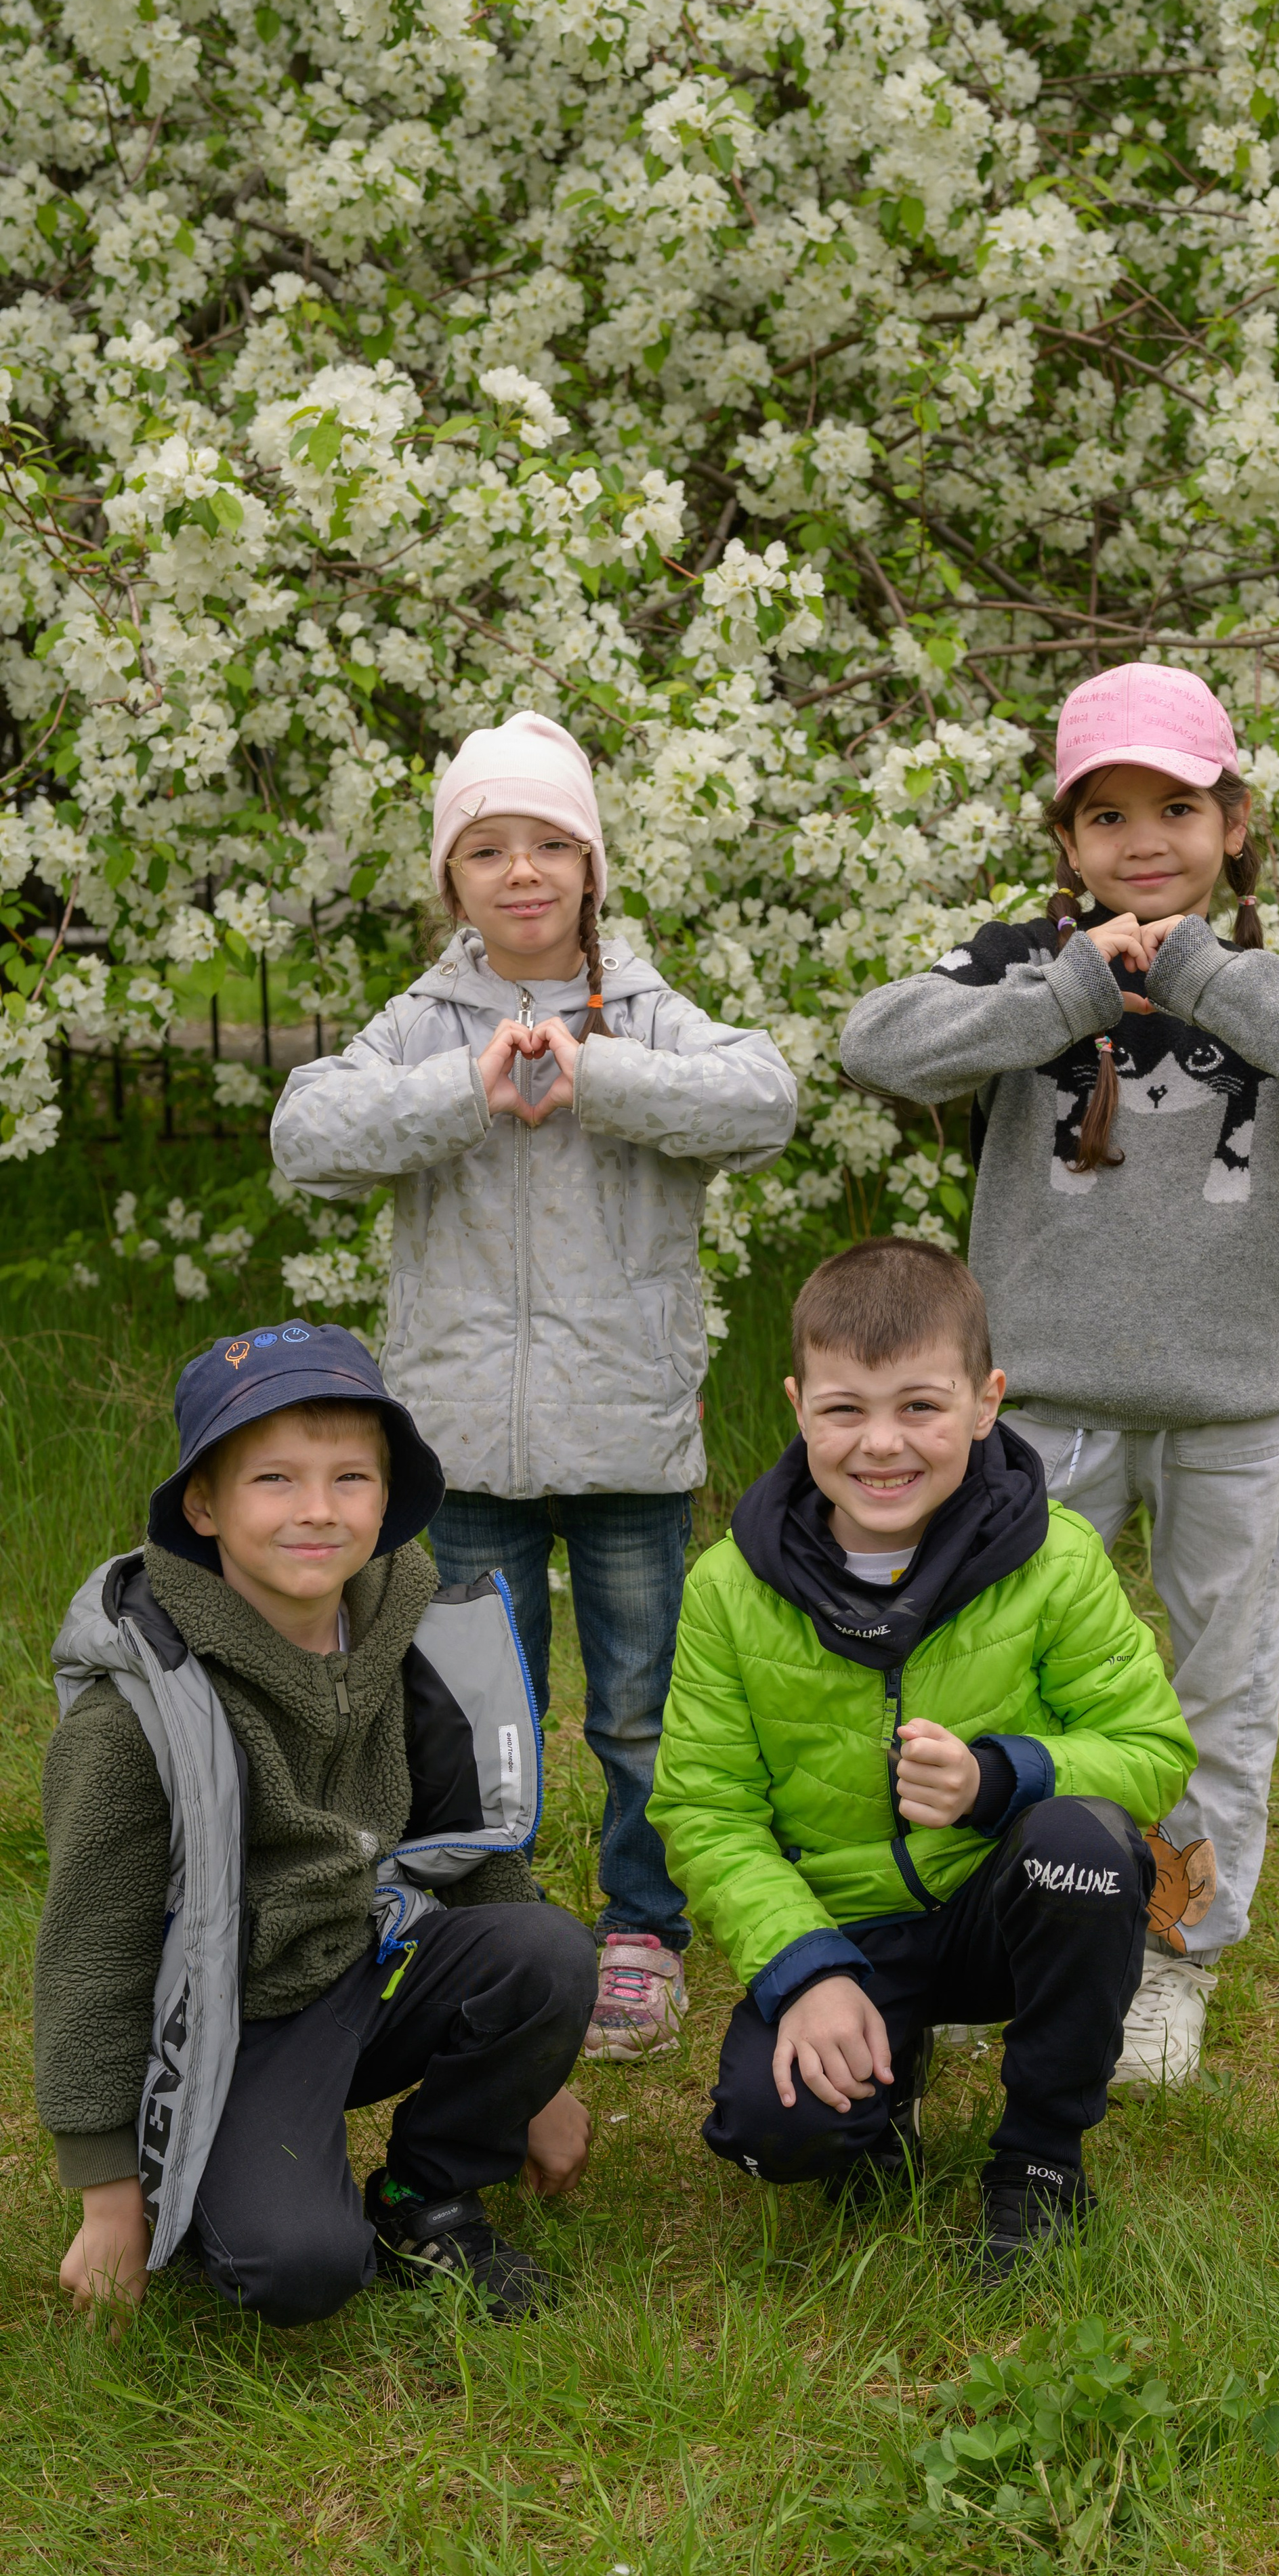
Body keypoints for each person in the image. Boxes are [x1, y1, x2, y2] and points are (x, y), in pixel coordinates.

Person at [839, 664, 1279, 2085]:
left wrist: (1206, 980)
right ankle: (1013, 1935)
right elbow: (875, 1044)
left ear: (1230, 822)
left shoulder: (1257, 983)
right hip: (1041, 1397)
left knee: (1223, 1684)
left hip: (1233, 1402)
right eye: (1106, 814)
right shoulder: (1011, 963)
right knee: (1007, 1669)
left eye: (1176, 806)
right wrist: (1060, 989)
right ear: (1065, 838)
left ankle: (1176, 1952)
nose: (1142, 839)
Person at [272, 712, 798, 2065]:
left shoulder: (644, 1009)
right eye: (486, 849)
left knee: (638, 1705)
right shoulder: (426, 1022)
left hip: (625, 1438)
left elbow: (760, 1100)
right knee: (466, 1703)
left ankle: (641, 1930)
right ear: (451, 878)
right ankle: (478, 1927)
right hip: (459, 1449)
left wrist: (596, 1078)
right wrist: (467, 1092)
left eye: (549, 845)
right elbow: (308, 1135)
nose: (520, 873)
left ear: (591, 867)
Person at [647, 1239, 1196, 2280]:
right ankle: (877, 2089)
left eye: (921, 1408)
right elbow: (705, 1809)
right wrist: (804, 1968)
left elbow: (1152, 1750)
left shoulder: (1057, 1558)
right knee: (777, 2137)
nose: (881, 1445)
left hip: (1004, 1905)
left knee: (1083, 1844)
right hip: (847, 1927)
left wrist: (1004, 1778)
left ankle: (1039, 2162)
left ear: (987, 1404)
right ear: (798, 1403)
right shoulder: (727, 1588)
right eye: (846, 1409)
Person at [37, 1323, 596, 2330]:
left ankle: (424, 2195)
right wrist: (108, 2194)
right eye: (274, 1481)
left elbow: (470, 1852)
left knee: (549, 1952)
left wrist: (531, 2082)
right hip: (228, 2028)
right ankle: (238, 2178)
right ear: (202, 1504)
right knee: (298, 2271)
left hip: (368, 1966)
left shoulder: (408, 1631)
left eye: (350, 1478)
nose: (317, 1512)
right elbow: (89, 1958)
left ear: (387, 1498)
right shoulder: (136, 1718)